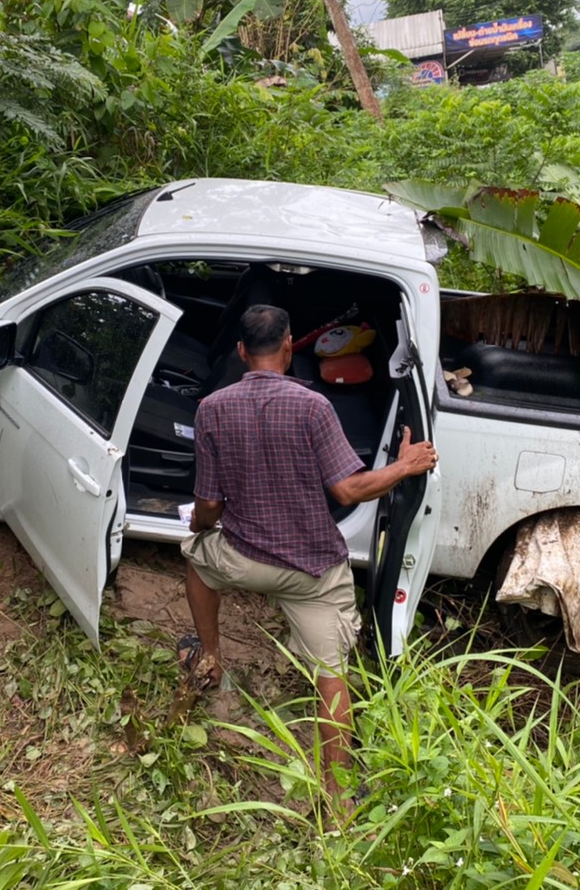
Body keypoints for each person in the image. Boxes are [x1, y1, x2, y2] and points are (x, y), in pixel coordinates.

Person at [180, 304, 438, 803]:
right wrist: (404, 467)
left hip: (243, 558)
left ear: (239, 352)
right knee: (331, 676)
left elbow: (208, 504)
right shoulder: (314, 406)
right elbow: (349, 490)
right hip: (313, 572)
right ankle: (336, 797)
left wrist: (201, 526)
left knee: (196, 558)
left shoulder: (210, 408)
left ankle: (210, 659)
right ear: (290, 346)